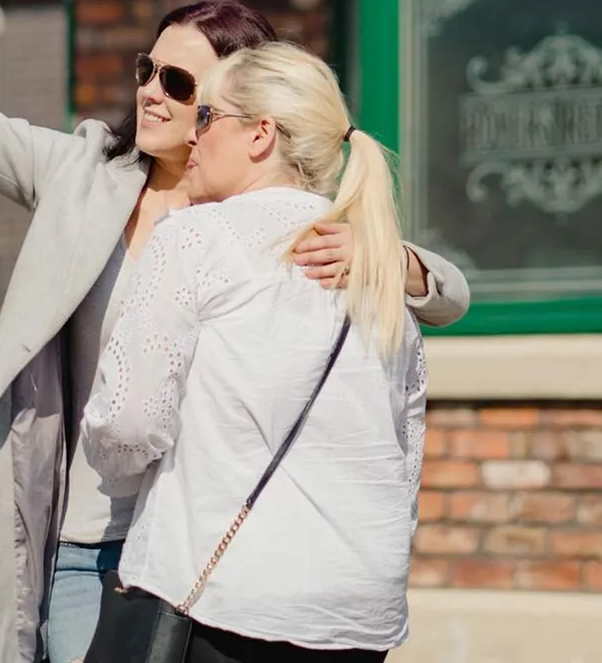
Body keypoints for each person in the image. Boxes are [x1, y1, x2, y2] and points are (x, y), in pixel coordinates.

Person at [0, 0, 468, 663]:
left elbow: (446, 300)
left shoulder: (279, 219)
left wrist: (394, 260)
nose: (149, 91)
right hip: (91, 542)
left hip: (219, 549)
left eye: (178, 83)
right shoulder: (80, 175)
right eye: (148, 69)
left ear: (239, 108)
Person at [82, 43, 423, 663]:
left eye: (207, 115)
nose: (192, 134)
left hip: (226, 599)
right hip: (359, 610)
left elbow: (127, 424)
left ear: (261, 134)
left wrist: (120, 477)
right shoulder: (379, 267)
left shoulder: (195, 237)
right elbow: (402, 453)